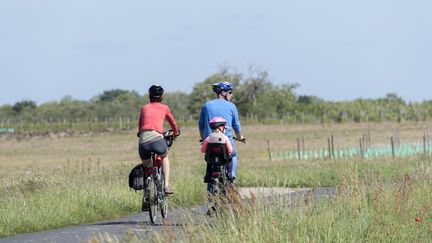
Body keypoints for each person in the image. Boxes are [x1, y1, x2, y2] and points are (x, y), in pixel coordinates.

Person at [198, 81, 245, 184]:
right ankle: (232, 178)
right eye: (230, 92)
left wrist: (203, 138)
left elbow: (201, 125)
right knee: (233, 155)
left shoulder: (206, 105)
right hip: (226, 140)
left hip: (210, 140)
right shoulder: (232, 106)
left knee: (210, 159)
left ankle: (209, 181)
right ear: (224, 93)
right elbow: (236, 126)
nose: (232, 95)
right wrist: (240, 137)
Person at [138, 84, 180, 195]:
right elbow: (172, 122)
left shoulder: (144, 108)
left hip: (143, 142)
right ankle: (166, 186)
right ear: (161, 97)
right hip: (157, 139)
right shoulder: (164, 107)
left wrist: (140, 133)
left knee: (147, 165)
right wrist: (175, 132)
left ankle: (147, 193)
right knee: (164, 155)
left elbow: (140, 125)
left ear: (149, 96)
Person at [201, 117, 233, 183]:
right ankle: (230, 175)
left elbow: (203, 150)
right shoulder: (225, 138)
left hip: (211, 160)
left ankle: (207, 175)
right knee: (230, 159)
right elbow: (230, 150)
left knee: (209, 163)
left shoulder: (208, 138)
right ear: (221, 128)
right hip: (223, 159)